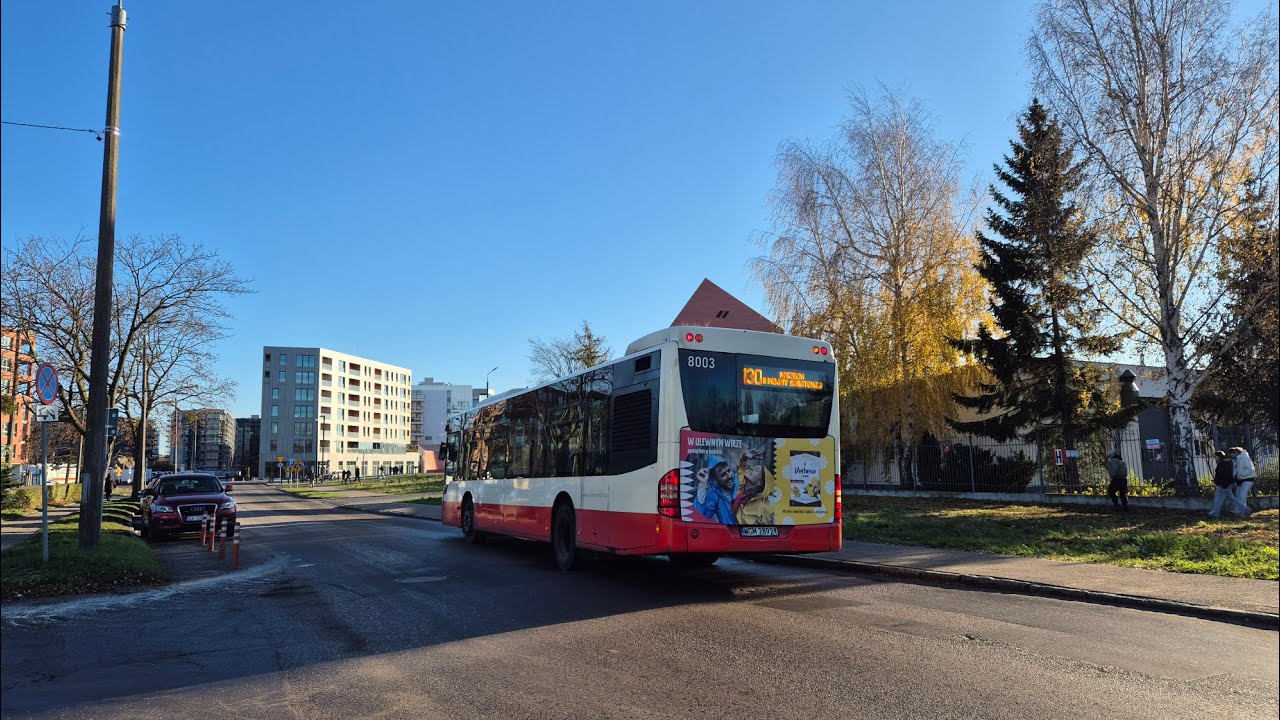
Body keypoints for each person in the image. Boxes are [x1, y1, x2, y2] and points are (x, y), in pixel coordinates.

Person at [693, 455, 738, 524]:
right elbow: (697, 516)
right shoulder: (715, 496)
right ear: (715, 480)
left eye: (729, 471)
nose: (729, 476)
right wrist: (703, 484)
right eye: (723, 475)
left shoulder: (740, 481)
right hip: (729, 533)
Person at [1208, 450, 1248, 518]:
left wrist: (1223, 484)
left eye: (1215, 456)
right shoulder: (1226, 462)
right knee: (1220, 499)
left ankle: (1245, 509)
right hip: (1225, 483)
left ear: (1219, 456)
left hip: (1223, 484)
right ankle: (1215, 513)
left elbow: (1224, 475)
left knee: (1223, 499)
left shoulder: (1223, 464)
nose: (1214, 458)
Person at [1229, 446, 1256, 518]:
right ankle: (1239, 511)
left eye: (1232, 454)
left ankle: (1244, 512)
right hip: (1240, 480)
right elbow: (1236, 470)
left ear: (1236, 452)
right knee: (1239, 496)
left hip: (1248, 479)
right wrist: (1235, 475)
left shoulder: (1245, 458)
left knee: (1241, 496)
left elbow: (1250, 469)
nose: (1231, 456)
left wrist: (1241, 475)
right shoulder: (1236, 460)